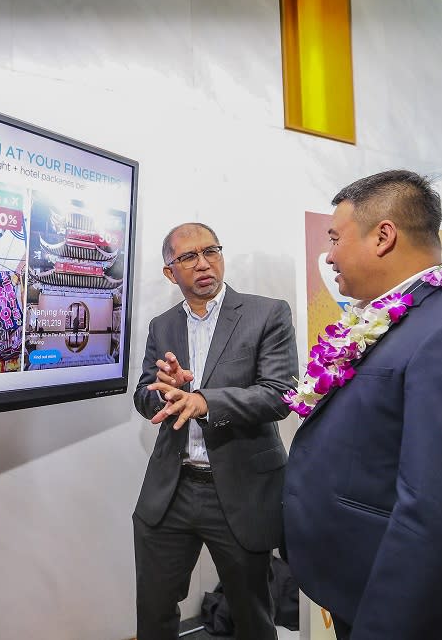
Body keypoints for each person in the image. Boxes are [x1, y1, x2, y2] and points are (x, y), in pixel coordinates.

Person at [283, 170, 442, 639]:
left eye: (335, 238)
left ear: (383, 236)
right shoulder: (391, 319)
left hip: (408, 610)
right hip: (359, 586)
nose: (329, 255)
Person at [133, 222, 298, 640]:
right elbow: (143, 395)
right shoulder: (162, 326)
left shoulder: (267, 313)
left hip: (242, 491)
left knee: (251, 616)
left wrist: (206, 401)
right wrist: (165, 392)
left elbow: (281, 394)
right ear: (171, 272)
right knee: (153, 611)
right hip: (172, 489)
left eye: (212, 251)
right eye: (188, 257)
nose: (204, 263)